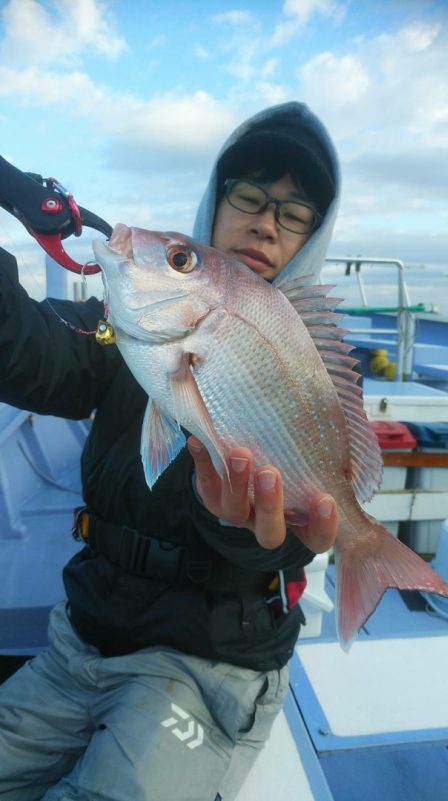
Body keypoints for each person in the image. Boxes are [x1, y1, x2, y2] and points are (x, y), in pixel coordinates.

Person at [0, 101, 340, 801]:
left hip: (208, 666)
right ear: (214, 201)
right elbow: (26, 352)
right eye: (249, 195)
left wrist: (237, 526)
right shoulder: (122, 329)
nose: (267, 222)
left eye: (295, 213)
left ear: (312, 236)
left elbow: (291, 541)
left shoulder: (311, 370)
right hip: (81, 637)